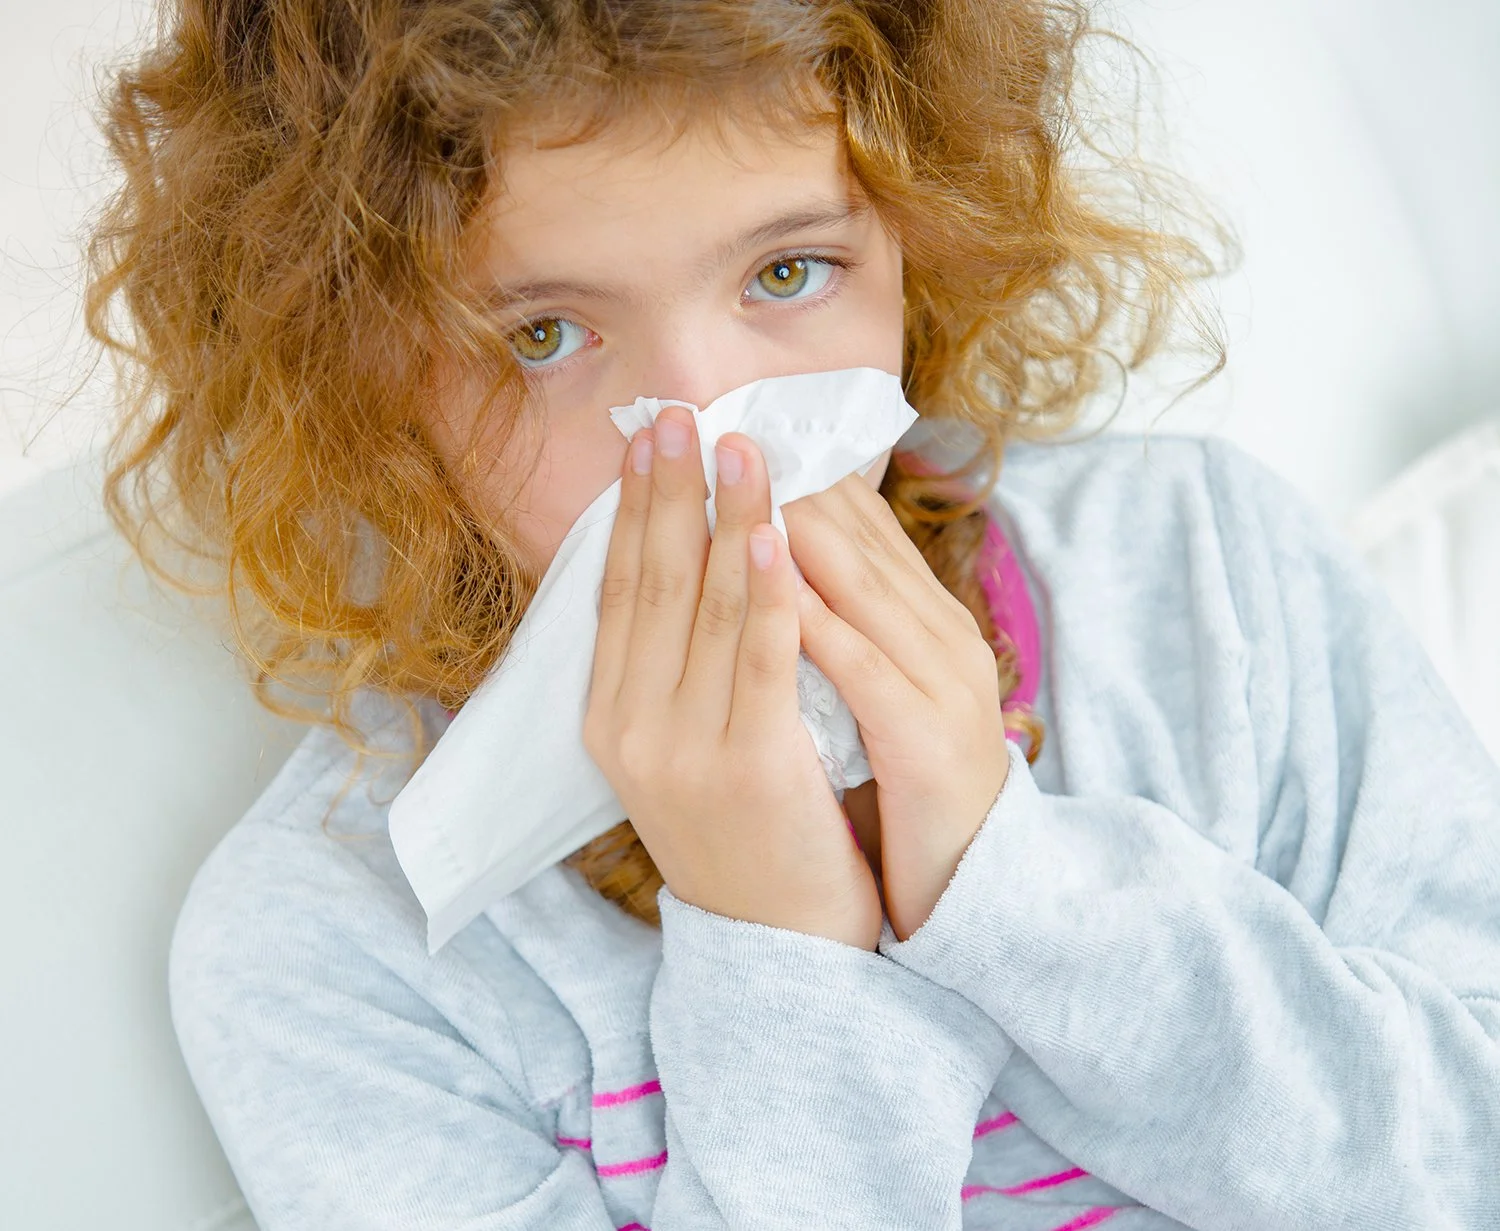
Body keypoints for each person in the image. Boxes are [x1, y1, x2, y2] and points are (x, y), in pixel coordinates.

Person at [81, 0, 1500, 1227]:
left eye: (785, 273)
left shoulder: (1203, 571)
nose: (713, 442)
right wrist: (782, 955)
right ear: (364, 372)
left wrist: (1013, 884)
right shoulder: (338, 947)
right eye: (544, 336)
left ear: (918, 236)